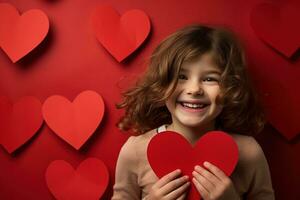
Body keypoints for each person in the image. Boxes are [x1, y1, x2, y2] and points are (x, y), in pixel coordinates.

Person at [112, 24, 275, 200]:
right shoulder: (135, 151)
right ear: (161, 85)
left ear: (230, 87)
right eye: (181, 77)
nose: (194, 89)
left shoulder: (249, 152)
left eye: (210, 79)